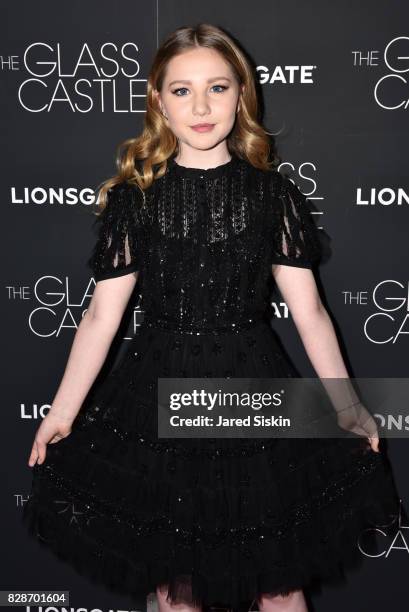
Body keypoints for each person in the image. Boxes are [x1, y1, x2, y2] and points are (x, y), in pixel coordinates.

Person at [23, 23, 402, 612]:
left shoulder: (273, 196)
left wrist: (349, 407)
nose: (201, 106)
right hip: (157, 393)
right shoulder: (136, 197)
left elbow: (311, 313)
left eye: (217, 87)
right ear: (158, 102)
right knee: (179, 589)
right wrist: (62, 413)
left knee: (280, 588)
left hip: (255, 392)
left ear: (241, 96)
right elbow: (101, 317)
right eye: (181, 91)